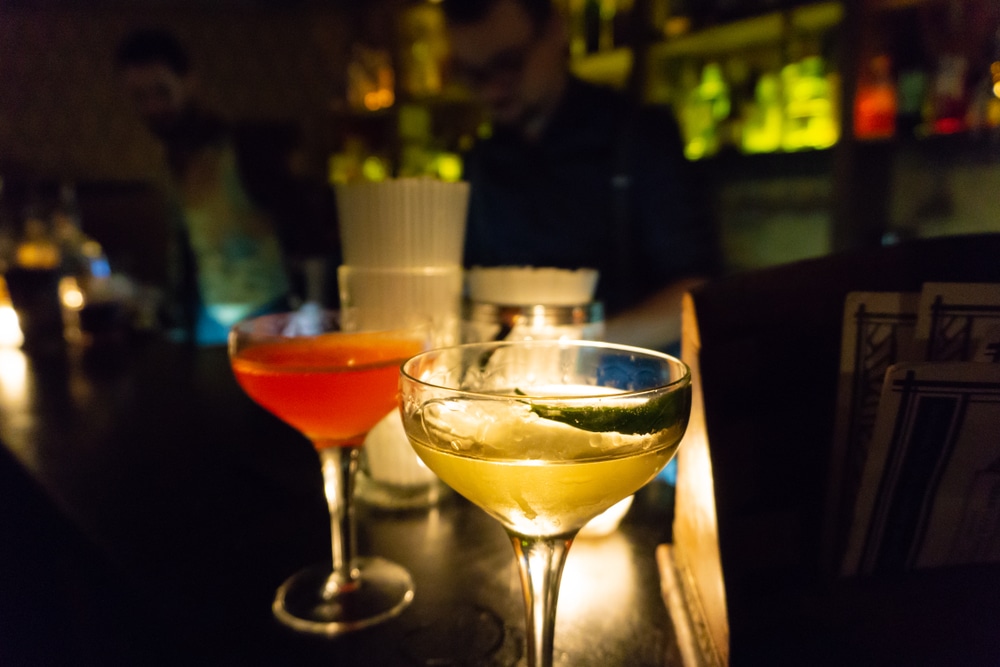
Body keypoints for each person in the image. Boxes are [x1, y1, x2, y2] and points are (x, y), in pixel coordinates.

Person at [442, 0, 721, 352]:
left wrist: (577, 346)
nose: (492, 90)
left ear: (556, 31)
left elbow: (697, 291)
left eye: (508, 65)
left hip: (626, 386)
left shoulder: (638, 138)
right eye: (472, 74)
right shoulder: (480, 161)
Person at [114, 28, 336, 345]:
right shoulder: (171, 162)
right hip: (209, 323)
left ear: (188, 82)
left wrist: (312, 311)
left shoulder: (244, 148)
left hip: (270, 315)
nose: (152, 107)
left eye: (161, 92)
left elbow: (309, 230)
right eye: (140, 98)